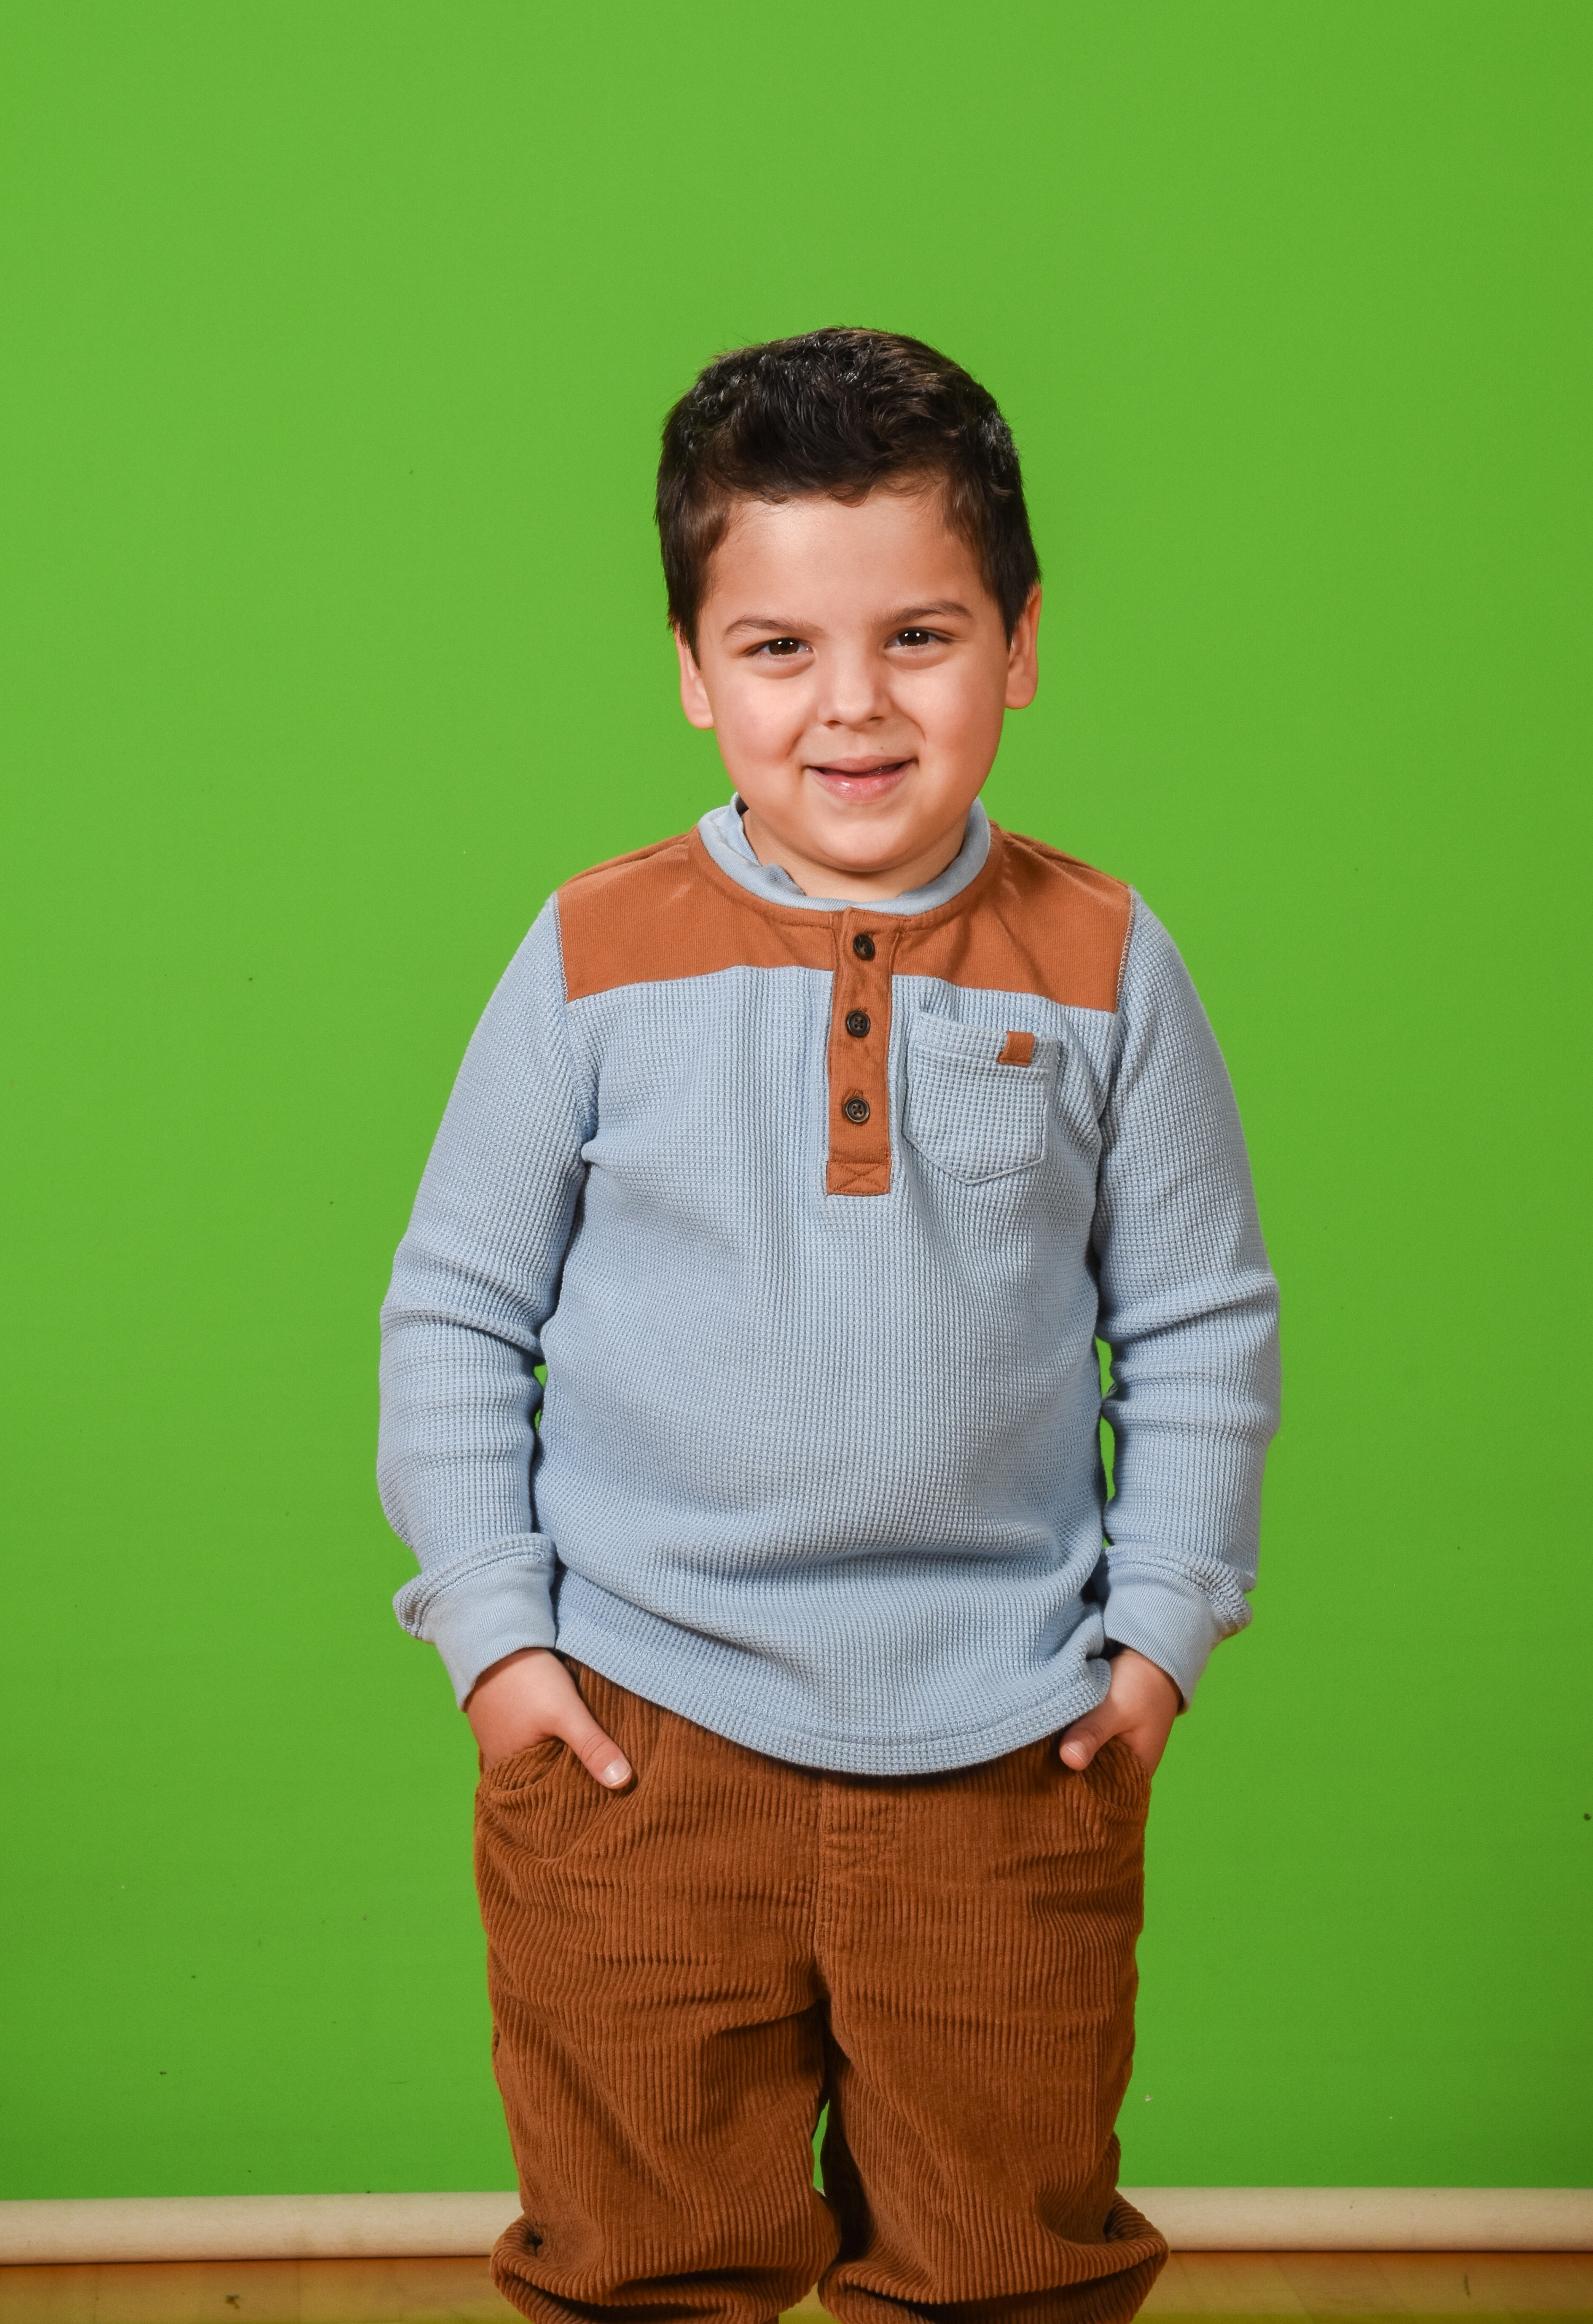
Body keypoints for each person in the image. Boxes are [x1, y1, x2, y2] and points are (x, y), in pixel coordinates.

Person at [377, 328, 1280, 2324]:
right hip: (636, 1731)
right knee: (640, 2264)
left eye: (920, 637)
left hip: (1007, 1741)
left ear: (1020, 646)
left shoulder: (1106, 959)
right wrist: (498, 1641)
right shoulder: (593, 952)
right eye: (779, 647)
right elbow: (457, 1308)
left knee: (1001, 2266)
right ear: (695, 673)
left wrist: (1159, 1635)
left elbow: (1199, 1323)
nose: (853, 704)